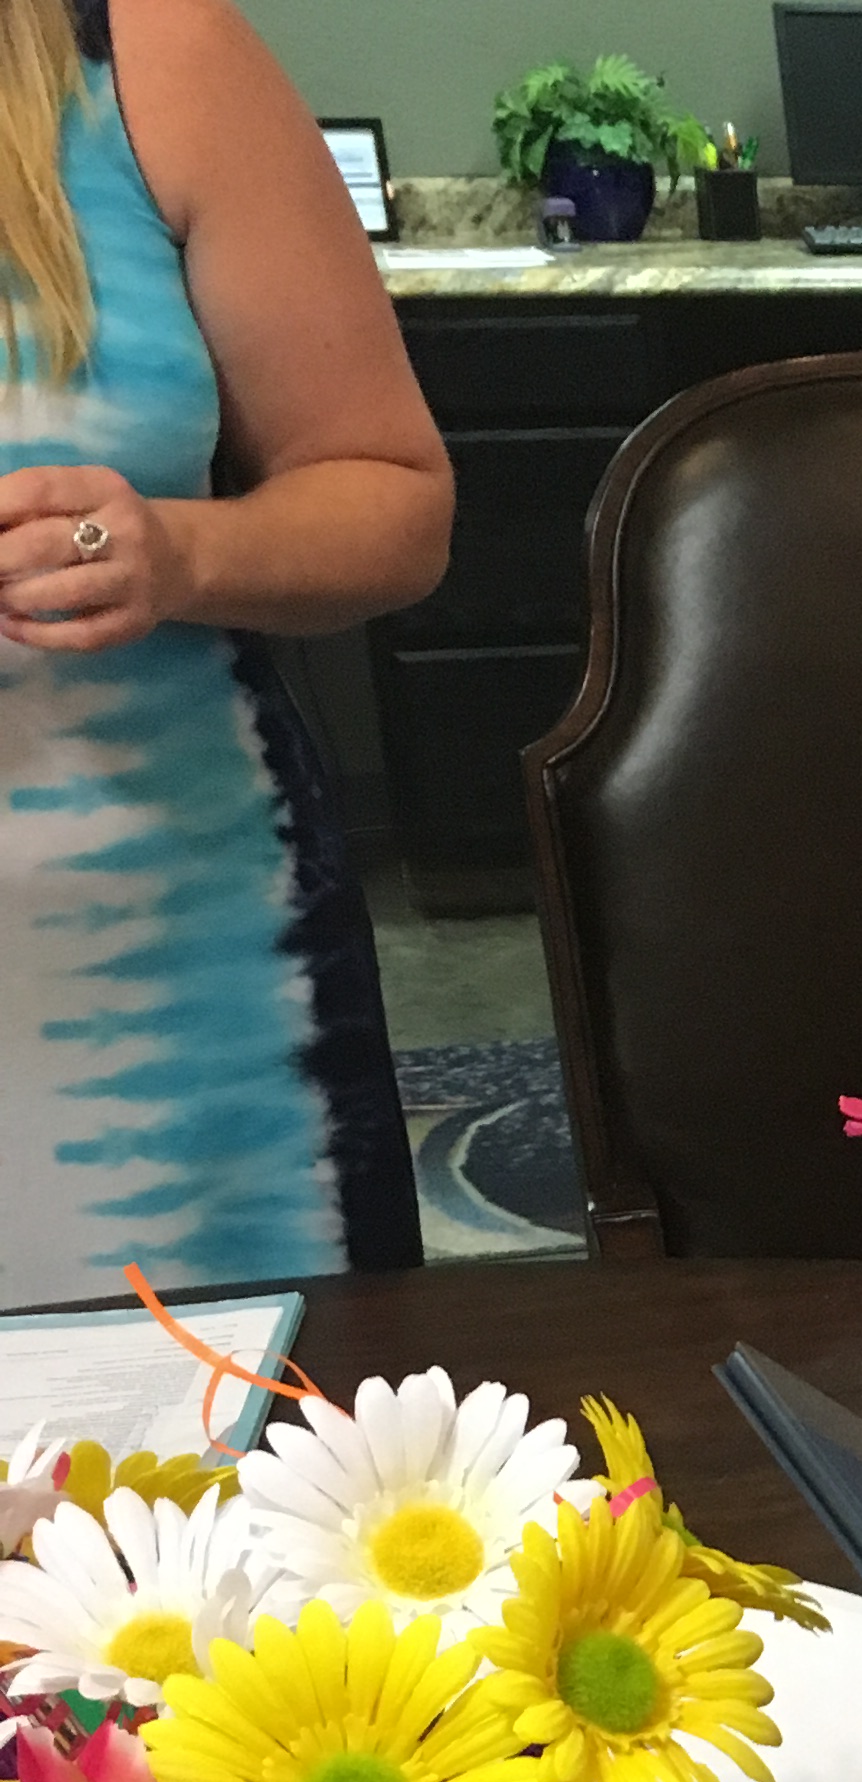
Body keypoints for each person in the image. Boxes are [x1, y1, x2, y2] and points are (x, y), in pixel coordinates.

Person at [0, 0, 449, 1305]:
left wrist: (177, 556)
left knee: (235, 1426)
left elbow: (395, 500)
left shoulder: (156, 56)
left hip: (165, 1032)